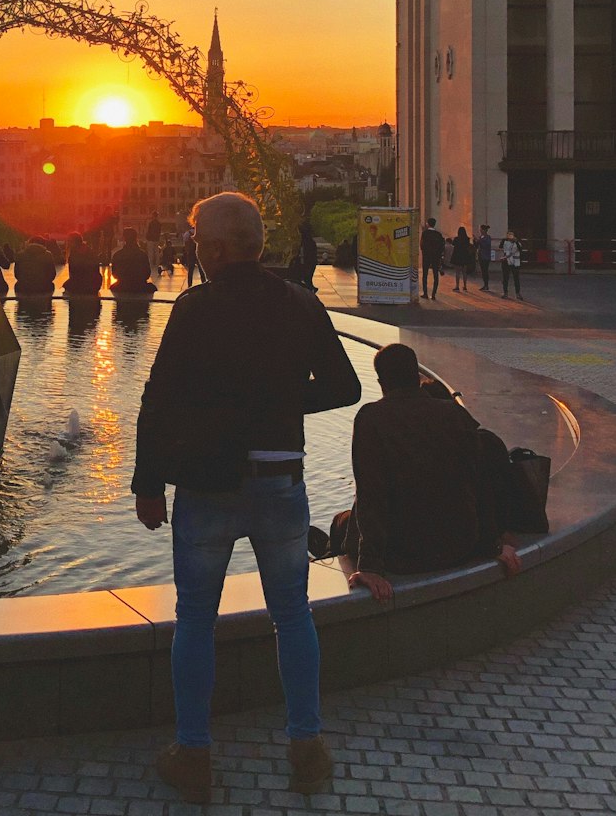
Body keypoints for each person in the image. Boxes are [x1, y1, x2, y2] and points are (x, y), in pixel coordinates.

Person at [133, 192, 362, 801]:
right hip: (280, 482)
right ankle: (307, 748)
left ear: (213, 248)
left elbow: (158, 401)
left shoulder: (194, 309)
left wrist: (147, 484)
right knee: (293, 613)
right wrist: (284, 402)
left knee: (195, 620)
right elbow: (345, 385)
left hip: (207, 485)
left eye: (198, 244)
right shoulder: (301, 304)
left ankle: (194, 755)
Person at [317, 344, 520, 602]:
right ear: (418, 376)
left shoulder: (372, 418)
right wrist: (493, 544)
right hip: (460, 546)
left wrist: (370, 568)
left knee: (342, 524)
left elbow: (371, 496)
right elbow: (477, 483)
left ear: (381, 382)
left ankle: (324, 551)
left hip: (403, 555)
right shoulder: (455, 414)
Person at [110, 227, 156, 296]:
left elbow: (115, 274)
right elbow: (147, 274)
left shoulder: (118, 255)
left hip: (123, 286)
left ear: (124, 238)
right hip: (140, 286)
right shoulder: (142, 255)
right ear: (135, 238)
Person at [64, 232, 102, 296]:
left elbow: (73, 273)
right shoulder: (90, 250)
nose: (68, 243)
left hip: (82, 284)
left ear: (73, 242)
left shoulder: (74, 254)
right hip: (95, 284)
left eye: (69, 241)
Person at [420, 217, 445, 300]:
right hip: (435, 257)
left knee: (425, 275)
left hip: (427, 256)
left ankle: (425, 293)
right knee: (435, 275)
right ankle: (434, 294)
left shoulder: (425, 233)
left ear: (428, 223)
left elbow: (422, 245)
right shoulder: (438, 234)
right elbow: (442, 246)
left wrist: (425, 252)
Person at [499, 229, 523, 301]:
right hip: (506, 261)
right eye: (509, 234)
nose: (510, 236)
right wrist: (504, 240)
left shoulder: (517, 242)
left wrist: (516, 241)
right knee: (505, 278)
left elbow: (520, 249)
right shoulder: (505, 241)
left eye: (511, 235)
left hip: (515, 262)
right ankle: (505, 293)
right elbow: (500, 247)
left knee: (516, 278)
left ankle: (518, 293)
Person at [451, 225, 473, 292]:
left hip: (457, 256)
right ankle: (465, 286)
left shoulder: (456, 239)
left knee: (457, 272)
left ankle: (457, 286)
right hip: (465, 257)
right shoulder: (467, 239)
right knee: (464, 272)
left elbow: (453, 244)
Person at [145, 210, 162, 275]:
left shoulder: (151, 223)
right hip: (156, 239)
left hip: (150, 239)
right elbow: (159, 232)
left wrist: (147, 237)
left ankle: (151, 264)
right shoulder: (159, 223)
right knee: (156, 252)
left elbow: (148, 231)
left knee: (151, 252)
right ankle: (157, 263)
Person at [477, 224, 492, 291]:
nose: (480, 230)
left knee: (485, 271)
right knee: (483, 271)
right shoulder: (481, 237)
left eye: (481, 229)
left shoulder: (487, 237)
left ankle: (486, 285)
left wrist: (480, 241)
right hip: (481, 255)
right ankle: (485, 285)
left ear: (484, 230)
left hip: (485, 256)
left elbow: (487, 245)